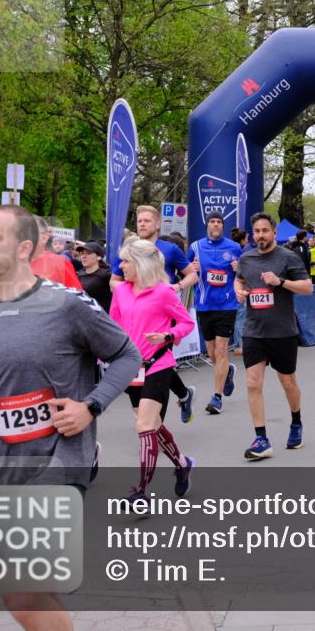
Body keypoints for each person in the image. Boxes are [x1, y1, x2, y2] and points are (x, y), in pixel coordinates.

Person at [0, 204, 141, 631]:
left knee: (18, 584)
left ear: (23, 248)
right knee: (31, 592)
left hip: (60, 462)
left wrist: (90, 407)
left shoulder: (66, 306)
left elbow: (128, 354)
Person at [112, 239, 196, 507]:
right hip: (130, 368)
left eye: (125, 261)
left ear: (141, 263)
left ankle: (141, 492)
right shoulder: (121, 292)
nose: (121, 266)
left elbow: (186, 323)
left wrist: (167, 335)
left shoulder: (163, 292)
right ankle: (182, 464)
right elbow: (113, 325)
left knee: (144, 425)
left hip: (159, 365)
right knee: (152, 426)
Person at [234, 213, 312, 460]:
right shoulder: (246, 258)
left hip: (282, 332)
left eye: (265, 231)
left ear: (274, 233)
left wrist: (280, 282)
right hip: (254, 331)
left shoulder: (288, 257)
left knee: (287, 381)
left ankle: (296, 421)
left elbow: (307, 287)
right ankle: (261, 438)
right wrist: (239, 292)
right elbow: (239, 280)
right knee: (252, 382)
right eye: (256, 231)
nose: (260, 235)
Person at [111, 205, 199, 423]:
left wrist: (175, 288)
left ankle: (154, 423)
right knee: (145, 365)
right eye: (139, 220)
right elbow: (114, 280)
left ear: (157, 224)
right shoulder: (127, 251)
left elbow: (192, 276)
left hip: (162, 316)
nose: (142, 224)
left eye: (147, 221)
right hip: (134, 314)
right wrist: (130, 294)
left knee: (158, 361)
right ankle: (183, 395)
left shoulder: (169, 250)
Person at [187, 210, 241, 416]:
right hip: (204, 305)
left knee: (221, 350)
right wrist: (192, 268)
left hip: (226, 305)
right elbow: (186, 272)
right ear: (207, 225)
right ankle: (228, 372)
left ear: (222, 226)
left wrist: (239, 268)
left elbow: (244, 272)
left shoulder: (235, 247)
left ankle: (216, 397)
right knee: (211, 354)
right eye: (212, 222)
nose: (215, 225)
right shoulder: (195, 247)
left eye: (219, 222)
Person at [30, 216, 83, 290]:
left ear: (44, 237)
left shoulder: (60, 263)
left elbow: (76, 297)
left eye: (31, 233)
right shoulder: (12, 263)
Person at [75, 241, 112, 312]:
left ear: (99, 257)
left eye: (88, 253)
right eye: (82, 253)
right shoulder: (79, 274)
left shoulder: (106, 275)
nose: (84, 256)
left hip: (101, 318)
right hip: (83, 317)